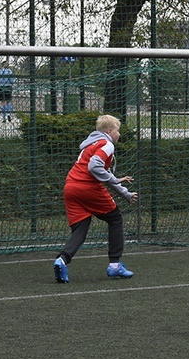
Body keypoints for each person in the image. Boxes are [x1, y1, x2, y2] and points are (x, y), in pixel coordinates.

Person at [53, 115, 138, 283]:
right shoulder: (107, 144)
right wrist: (116, 182)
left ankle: (61, 260)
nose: (119, 134)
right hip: (87, 187)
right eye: (117, 130)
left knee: (81, 228)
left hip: (71, 187)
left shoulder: (89, 145)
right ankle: (114, 264)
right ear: (108, 131)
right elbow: (95, 167)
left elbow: (104, 174)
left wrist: (124, 193)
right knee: (115, 219)